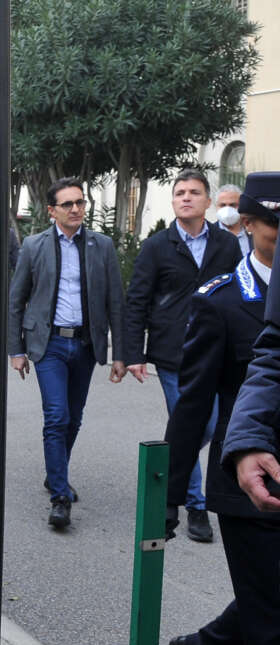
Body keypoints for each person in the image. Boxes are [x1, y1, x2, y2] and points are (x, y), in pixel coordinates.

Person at [165, 173, 278, 645]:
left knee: (267, 603)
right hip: (248, 480)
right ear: (249, 224)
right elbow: (193, 405)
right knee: (272, 619)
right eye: (275, 224)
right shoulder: (221, 300)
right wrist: (167, 493)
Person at [124, 168, 241, 541]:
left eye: (194, 192)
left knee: (210, 425)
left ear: (207, 201)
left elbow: (239, 293)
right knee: (191, 423)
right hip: (173, 352)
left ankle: (169, 464)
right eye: (179, 193)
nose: (186, 197)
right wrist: (133, 352)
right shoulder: (157, 246)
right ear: (173, 202)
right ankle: (195, 505)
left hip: (218, 351)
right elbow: (137, 300)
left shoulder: (227, 245)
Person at [8, 177, 126, 529]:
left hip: (86, 343)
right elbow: (16, 300)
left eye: (80, 202)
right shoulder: (34, 246)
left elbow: (116, 303)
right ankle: (60, 496)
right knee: (57, 416)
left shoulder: (101, 245)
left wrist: (121, 353)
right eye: (68, 204)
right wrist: (16, 350)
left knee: (74, 417)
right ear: (52, 211)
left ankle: (54, 472)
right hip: (50, 344)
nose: (76, 209)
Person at [219, 171, 280, 645]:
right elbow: (274, 353)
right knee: (269, 618)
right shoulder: (220, 296)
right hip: (264, 474)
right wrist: (245, 442)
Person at [215, 183, 252, 259]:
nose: (227, 209)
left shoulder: (253, 233)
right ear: (216, 207)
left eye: (233, 205)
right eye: (222, 205)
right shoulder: (208, 234)